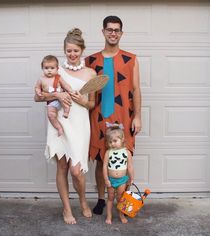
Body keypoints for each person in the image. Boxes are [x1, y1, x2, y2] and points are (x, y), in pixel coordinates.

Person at [34, 28, 96, 224]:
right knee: (62, 166)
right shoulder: (55, 70)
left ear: (82, 50)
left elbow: (92, 104)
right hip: (59, 122)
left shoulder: (90, 73)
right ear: (64, 51)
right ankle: (66, 209)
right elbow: (37, 96)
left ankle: (83, 201)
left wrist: (82, 100)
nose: (72, 54)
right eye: (68, 51)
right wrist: (57, 95)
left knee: (76, 171)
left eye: (76, 51)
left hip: (79, 122)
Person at [85, 15, 142, 215]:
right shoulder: (90, 60)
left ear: (121, 33)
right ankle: (101, 199)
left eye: (116, 30)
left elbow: (135, 90)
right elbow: (83, 89)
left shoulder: (131, 59)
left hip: (124, 115)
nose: (113, 33)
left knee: (123, 157)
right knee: (101, 158)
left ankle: (122, 201)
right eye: (109, 29)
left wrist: (137, 116)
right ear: (103, 32)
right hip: (98, 116)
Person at [103, 123, 134, 224]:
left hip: (122, 180)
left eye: (115, 141)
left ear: (122, 139)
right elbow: (104, 167)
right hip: (111, 180)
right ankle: (109, 216)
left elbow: (129, 167)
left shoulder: (127, 152)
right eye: (110, 142)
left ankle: (121, 215)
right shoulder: (108, 152)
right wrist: (106, 179)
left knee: (121, 199)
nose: (112, 144)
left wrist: (131, 178)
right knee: (110, 198)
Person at [35, 55, 73, 136]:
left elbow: (65, 85)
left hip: (61, 99)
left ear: (57, 69)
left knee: (66, 100)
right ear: (42, 68)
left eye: (52, 68)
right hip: (51, 101)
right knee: (51, 115)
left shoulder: (58, 78)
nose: (49, 70)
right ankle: (59, 128)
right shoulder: (41, 79)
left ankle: (66, 110)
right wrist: (38, 92)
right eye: (46, 68)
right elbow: (37, 88)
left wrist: (71, 91)